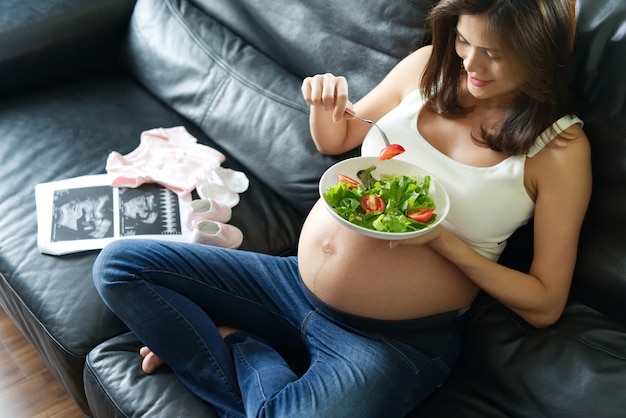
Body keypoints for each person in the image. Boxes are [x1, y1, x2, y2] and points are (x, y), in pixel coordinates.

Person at [92, 0, 591, 417]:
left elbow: (545, 303)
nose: (472, 66)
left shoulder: (559, 150)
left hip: (392, 339)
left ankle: (241, 343)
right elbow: (342, 138)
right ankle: (240, 339)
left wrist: (442, 241)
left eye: (495, 55)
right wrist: (323, 107)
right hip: (290, 283)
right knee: (119, 266)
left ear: (541, 54)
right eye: (465, 41)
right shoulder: (426, 67)